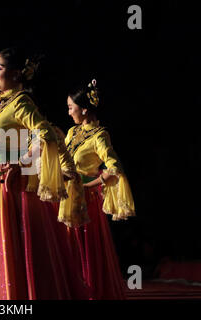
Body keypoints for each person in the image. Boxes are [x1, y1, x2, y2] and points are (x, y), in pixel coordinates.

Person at [0, 48, 88, 300]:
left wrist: (22, 164)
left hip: (9, 183)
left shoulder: (22, 102)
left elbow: (44, 136)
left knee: (12, 244)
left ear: (14, 73)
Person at [63, 79, 136, 299]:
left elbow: (114, 168)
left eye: (70, 107)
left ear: (84, 109)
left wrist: (87, 186)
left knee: (84, 252)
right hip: (66, 199)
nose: (68, 113)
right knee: (66, 250)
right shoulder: (71, 133)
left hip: (86, 203)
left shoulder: (99, 136)